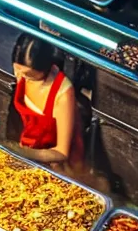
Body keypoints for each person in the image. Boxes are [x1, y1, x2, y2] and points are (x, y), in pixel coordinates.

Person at [9, 34, 86, 179]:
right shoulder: (22, 73)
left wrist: (23, 153)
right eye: (17, 69)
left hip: (55, 166)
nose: (19, 75)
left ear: (45, 68)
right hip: (28, 149)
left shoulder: (62, 93)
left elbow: (61, 153)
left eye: (28, 74)